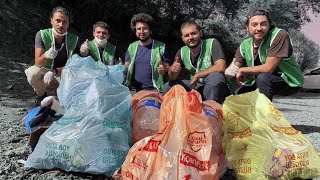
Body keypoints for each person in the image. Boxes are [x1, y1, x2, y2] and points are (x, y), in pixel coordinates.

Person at [225, 8, 304, 101]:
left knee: (264, 78)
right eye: (254, 25)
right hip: (259, 81)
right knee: (236, 96)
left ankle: (264, 114)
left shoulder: (279, 35)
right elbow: (234, 68)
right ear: (247, 27)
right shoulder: (244, 44)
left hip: (289, 82)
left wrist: (242, 70)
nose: (259, 28)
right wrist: (229, 72)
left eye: (263, 24)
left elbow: (268, 68)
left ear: (269, 25)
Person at [163, 20, 229, 104]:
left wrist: (198, 75)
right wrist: (172, 71)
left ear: (200, 33)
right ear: (183, 39)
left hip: (214, 87)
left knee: (216, 77)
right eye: (186, 35)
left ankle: (212, 110)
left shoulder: (212, 43)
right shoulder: (182, 52)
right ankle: (174, 113)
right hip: (196, 87)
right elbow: (172, 78)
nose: (190, 37)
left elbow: (221, 66)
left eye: (194, 33)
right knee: (168, 86)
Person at [25, 6, 79, 105]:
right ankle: (41, 95)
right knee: (32, 72)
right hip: (45, 71)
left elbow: (74, 65)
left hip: (64, 73)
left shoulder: (74, 39)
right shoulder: (41, 35)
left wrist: (54, 71)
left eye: (64, 22)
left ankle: (63, 98)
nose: (61, 25)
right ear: (51, 21)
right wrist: (45, 55)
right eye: (57, 20)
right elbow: (38, 63)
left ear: (68, 24)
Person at [124, 13, 171, 93]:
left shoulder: (161, 47)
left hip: (155, 90)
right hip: (134, 91)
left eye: (145, 28)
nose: (141, 31)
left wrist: (165, 69)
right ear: (135, 31)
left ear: (150, 30)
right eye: (139, 29)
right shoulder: (131, 47)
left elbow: (167, 67)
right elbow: (126, 67)